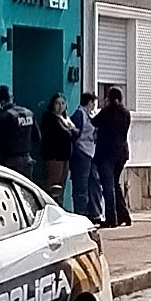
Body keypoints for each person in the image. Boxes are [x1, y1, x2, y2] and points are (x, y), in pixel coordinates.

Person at [94, 87, 134, 228]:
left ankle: (111, 219)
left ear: (108, 98)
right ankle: (124, 215)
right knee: (115, 184)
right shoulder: (126, 113)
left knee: (108, 186)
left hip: (106, 154)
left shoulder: (106, 112)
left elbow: (94, 123)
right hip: (121, 153)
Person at [0, 85, 39, 178]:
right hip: (26, 160)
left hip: (10, 163)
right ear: (11, 97)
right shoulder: (28, 113)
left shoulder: (4, 116)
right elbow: (37, 137)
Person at [40, 93, 77, 203]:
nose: (60, 106)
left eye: (62, 103)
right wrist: (69, 128)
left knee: (61, 186)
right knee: (53, 186)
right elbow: (63, 134)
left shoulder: (65, 118)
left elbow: (76, 134)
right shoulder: (49, 118)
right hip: (54, 158)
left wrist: (71, 128)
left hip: (64, 158)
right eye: (57, 103)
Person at [70, 92, 101, 223]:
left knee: (93, 183)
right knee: (81, 185)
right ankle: (80, 214)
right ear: (89, 102)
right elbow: (75, 133)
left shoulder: (90, 115)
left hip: (91, 152)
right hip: (82, 153)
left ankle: (93, 212)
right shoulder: (79, 114)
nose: (94, 105)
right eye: (93, 102)